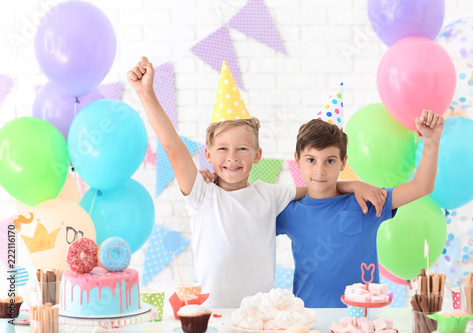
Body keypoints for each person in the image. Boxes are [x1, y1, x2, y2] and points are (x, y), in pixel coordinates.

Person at [127, 57, 386, 307]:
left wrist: (353, 185)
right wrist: (146, 94)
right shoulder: (201, 195)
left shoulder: (269, 195)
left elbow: (319, 187)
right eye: (222, 149)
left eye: (242, 148)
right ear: (207, 154)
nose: (232, 158)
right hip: (215, 313)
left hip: (262, 315)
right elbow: (173, 147)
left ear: (257, 155)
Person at [277, 103, 443, 308]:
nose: (319, 171)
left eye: (329, 161)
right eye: (311, 160)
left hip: (362, 319)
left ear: (343, 163)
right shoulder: (289, 212)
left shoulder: (366, 202)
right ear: (297, 159)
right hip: (309, 318)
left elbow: (421, 186)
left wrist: (431, 141)